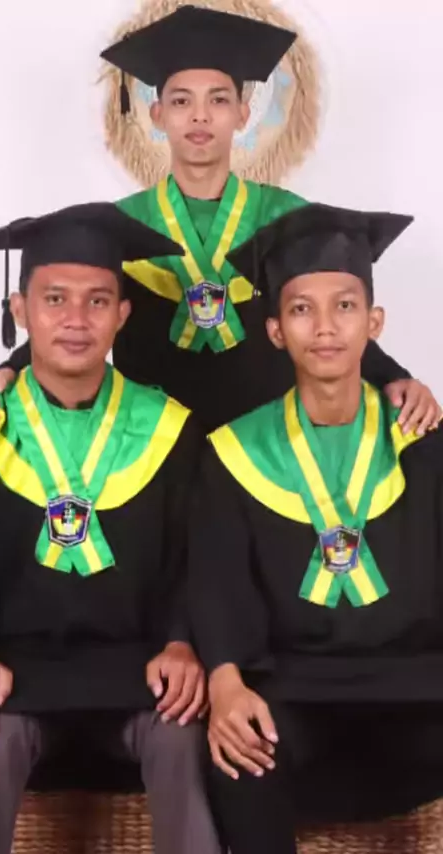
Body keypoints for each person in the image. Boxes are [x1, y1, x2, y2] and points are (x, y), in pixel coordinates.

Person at [0, 6, 439, 433]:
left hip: (269, 446)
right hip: (144, 447)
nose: (199, 117)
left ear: (242, 114)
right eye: (180, 101)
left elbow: (328, 316)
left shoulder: (287, 218)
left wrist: (396, 378)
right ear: (157, 115)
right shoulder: (123, 226)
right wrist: (8, 370)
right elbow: (78, 316)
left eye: (218, 100)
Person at [0, 202, 223, 854]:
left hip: (140, 674)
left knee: (184, 734)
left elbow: (199, 558)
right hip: (15, 676)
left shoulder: (169, 430)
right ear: (21, 310)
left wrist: (182, 641)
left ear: (122, 315)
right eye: (55, 299)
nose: (76, 319)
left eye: (98, 301)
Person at [189, 202, 443, 854]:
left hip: (417, 685)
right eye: (302, 309)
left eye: (345, 307)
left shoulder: (422, 444)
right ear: (275, 331)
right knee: (239, 755)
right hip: (294, 688)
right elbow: (217, 583)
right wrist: (225, 681)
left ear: (374, 323)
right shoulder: (234, 452)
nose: (325, 328)